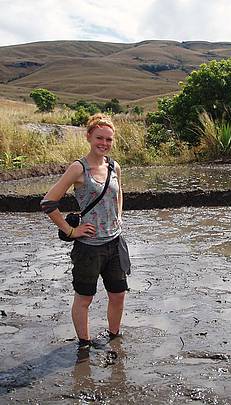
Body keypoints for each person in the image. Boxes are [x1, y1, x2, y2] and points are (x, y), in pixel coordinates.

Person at [41, 113, 130, 350]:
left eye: (109, 139)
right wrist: (71, 231)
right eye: (99, 138)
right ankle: (84, 344)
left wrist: (119, 216)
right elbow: (48, 203)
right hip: (89, 248)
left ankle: (114, 337)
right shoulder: (78, 169)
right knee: (85, 298)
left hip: (115, 243)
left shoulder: (114, 166)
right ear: (89, 136)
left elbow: (118, 193)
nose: (104, 143)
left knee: (118, 295)